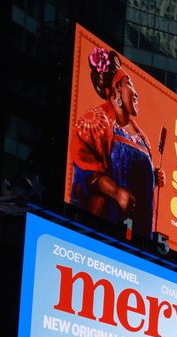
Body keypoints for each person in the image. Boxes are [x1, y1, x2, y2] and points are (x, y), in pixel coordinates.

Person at [69, 47, 165, 238]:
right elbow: (86, 169)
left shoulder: (142, 137)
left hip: (138, 241)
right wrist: (116, 192)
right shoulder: (94, 121)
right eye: (129, 83)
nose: (136, 93)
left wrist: (153, 178)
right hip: (101, 234)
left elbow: (132, 179)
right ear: (116, 90)